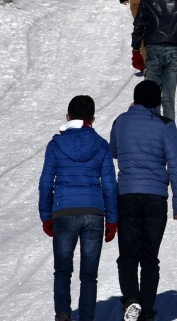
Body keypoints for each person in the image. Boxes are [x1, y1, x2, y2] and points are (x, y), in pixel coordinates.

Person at [109, 79, 177, 321]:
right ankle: (148, 311)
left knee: (128, 254)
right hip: (155, 197)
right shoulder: (166, 125)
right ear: (157, 102)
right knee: (150, 258)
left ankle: (131, 300)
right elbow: (175, 165)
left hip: (127, 194)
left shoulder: (121, 121)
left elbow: (114, 151)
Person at [38, 94, 119, 321]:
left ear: (67, 116)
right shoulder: (101, 145)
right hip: (94, 214)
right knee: (89, 276)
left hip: (63, 213)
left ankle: (63, 315)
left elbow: (46, 183)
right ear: (92, 119)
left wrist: (46, 215)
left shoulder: (55, 145)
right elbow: (110, 186)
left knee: (63, 271)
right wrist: (112, 220)